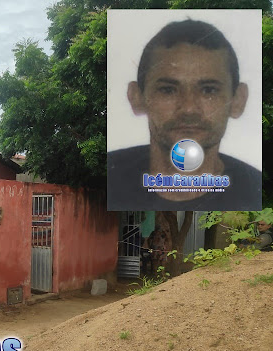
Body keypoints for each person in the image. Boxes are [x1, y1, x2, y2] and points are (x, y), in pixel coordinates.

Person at [107, 19, 261, 211]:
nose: (189, 109)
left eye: (209, 90)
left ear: (238, 100)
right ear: (136, 97)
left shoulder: (256, 192)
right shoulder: (106, 178)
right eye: (168, 90)